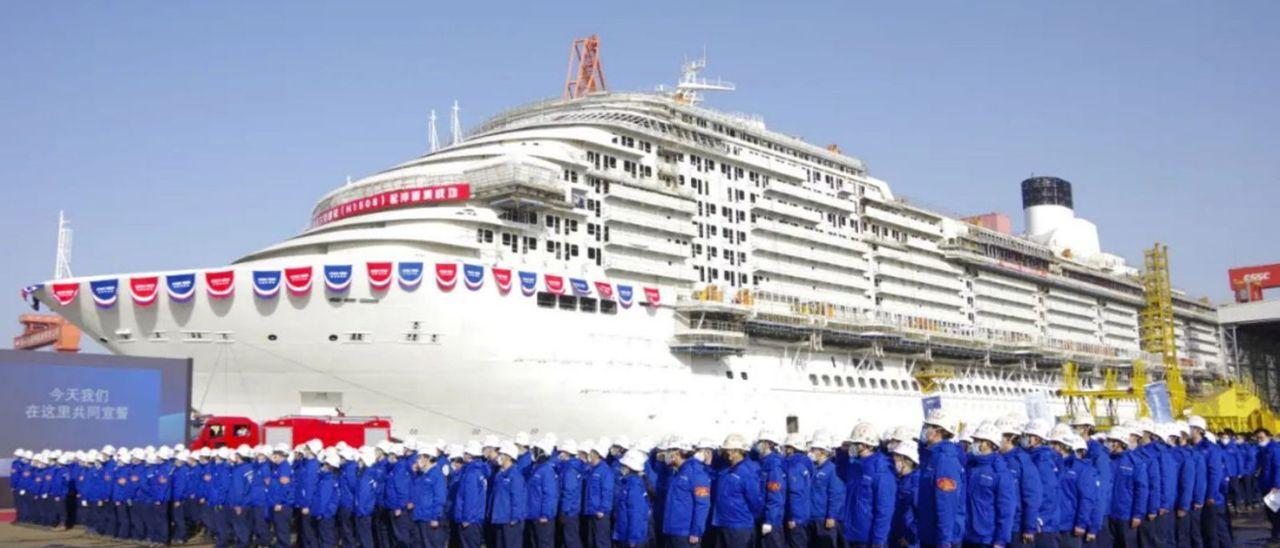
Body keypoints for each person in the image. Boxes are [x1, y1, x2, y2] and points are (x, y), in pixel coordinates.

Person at [843, 421, 896, 547]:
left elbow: (884, 509)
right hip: (853, 533)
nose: (853, 446)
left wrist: (879, 540)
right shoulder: (855, 465)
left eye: (856, 443)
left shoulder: (880, 470)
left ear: (866, 444)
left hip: (869, 537)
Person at [918, 408, 965, 548]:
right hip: (930, 533)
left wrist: (944, 541)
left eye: (928, 427)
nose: (924, 430)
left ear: (938, 430)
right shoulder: (932, 456)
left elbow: (946, 504)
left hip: (941, 538)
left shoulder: (944, 460)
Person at [964, 421, 1015, 548]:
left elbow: (1006, 509)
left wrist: (1000, 541)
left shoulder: (999, 472)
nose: (973, 444)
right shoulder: (970, 466)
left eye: (977, 440)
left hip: (986, 538)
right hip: (966, 535)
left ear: (987, 444)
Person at [996, 414, 1042, 548]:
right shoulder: (996, 459)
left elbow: (1032, 496)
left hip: (1016, 527)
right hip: (997, 525)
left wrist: (1028, 527)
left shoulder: (1022, 462)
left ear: (1010, 438)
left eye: (1000, 436)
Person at [712, 433, 764, 548]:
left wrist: (745, 517)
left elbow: (755, 501)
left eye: (730, 450)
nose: (727, 453)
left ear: (738, 451)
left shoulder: (747, 472)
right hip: (723, 523)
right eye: (727, 450)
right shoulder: (725, 470)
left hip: (739, 527)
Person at [661, 437, 712, 548]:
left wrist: (695, 531)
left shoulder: (695, 472)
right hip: (672, 530)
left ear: (678, 452)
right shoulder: (677, 471)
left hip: (685, 533)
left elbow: (702, 505)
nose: (667, 454)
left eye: (669, 451)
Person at [1070, 415, 1111, 548]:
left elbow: (1101, 491)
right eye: (1074, 427)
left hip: (1094, 517)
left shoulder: (1097, 454)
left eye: (1077, 427)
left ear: (1087, 428)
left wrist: (1094, 525)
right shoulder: (1072, 449)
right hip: (1077, 514)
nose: (1075, 430)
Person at [1190, 416, 1230, 548]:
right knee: (1205, 531)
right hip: (1198, 495)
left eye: (1190, 428)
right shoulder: (1192, 448)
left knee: (1216, 531)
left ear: (1197, 430)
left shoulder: (1210, 448)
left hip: (1211, 497)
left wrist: (1211, 495)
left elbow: (1215, 473)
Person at [1052, 431, 1097, 548]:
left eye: (1056, 444)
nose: (1053, 447)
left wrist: (1081, 523)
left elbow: (1086, 499)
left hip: (1070, 526)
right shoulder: (1055, 465)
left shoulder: (1082, 469)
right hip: (1053, 524)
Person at [1022, 418, 1061, 547]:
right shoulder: (1032, 456)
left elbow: (1049, 492)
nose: (1025, 438)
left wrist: (1040, 518)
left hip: (1044, 527)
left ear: (1038, 438)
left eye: (1029, 436)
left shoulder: (1042, 460)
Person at [1106, 427, 1147, 548]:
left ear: (1118, 443)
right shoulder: (1108, 461)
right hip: (1109, 514)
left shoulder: (1135, 462)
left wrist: (1137, 515)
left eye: (1111, 441)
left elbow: (1141, 490)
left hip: (1126, 515)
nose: (1108, 444)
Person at [807, 434, 844, 548]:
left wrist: (831, 516)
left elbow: (835, 495)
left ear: (822, 451)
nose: (812, 452)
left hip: (824, 519)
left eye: (814, 449)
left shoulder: (832, 470)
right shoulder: (813, 468)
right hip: (812, 517)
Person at [489, 442, 528, 548]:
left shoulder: (515, 476)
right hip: (500, 517)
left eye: (502, 454)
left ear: (508, 457)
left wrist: (515, 517)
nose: (499, 457)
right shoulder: (500, 475)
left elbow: (518, 498)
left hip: (510, 520)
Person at [615, 449, 654, 548]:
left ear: (629, 467)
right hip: (625, 534)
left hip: (632, 538)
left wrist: (633, 538)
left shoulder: (634, 487)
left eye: (624, 465)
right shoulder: (628, 484)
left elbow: (636, 514)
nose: (621, 467)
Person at [780, 433, 813, 548]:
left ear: (792, 448)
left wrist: (792, 517)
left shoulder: (795, 467)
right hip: (802, 514)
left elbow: (795, 494)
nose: (785, 451)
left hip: (797, 517)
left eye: (787, 448)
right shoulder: (805, 464)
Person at [756, 430, 787, 548]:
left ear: (768, 444)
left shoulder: (774, 464)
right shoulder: (762, 462)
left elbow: (775, 494)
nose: (758, 445)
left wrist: (769, 521)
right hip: (762, 517)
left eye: (761, 442)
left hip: (772, 521)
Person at [528, 437, 560, 548]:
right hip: (534, 514)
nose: (532, 453)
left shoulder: (547, 471)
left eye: (535, 450)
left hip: (542, 517)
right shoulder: (535, 468)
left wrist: (545, 514)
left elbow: (550, 495)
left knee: (544, 544)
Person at [584, 439, 616, 548]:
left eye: (593, 455)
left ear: (599, 456)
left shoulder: (605, 471)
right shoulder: (592, 469)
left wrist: (603, 509)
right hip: (592, 511)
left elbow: (607, 492)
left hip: (600, 513)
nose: (590, 457)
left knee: (601, 542)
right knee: (591, 541)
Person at [889, 440, 921, 547]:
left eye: (897, 457)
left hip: (908, 541)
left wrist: (910, 536)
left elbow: (921, 514)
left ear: (907, 460)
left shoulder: (916, 482)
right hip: (897, 535)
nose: (894, 460)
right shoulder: (901, 479)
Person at [558, 440, 587, 548]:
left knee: (571, 538)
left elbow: (568, 491)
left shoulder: (570, 470)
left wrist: (564, 510)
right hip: (573, 508)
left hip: (570, 510)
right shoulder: (572, 467)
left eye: (563, 452)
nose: (560, 454)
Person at [313, 452, 342, 547]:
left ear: (330, 466)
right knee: (325, 537)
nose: (323, 466)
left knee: (326, 538)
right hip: (328, 513)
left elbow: (323, 499)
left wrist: (320, 513)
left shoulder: (328, 481)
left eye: (325, 464)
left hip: (325, 514)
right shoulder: (330, 478)